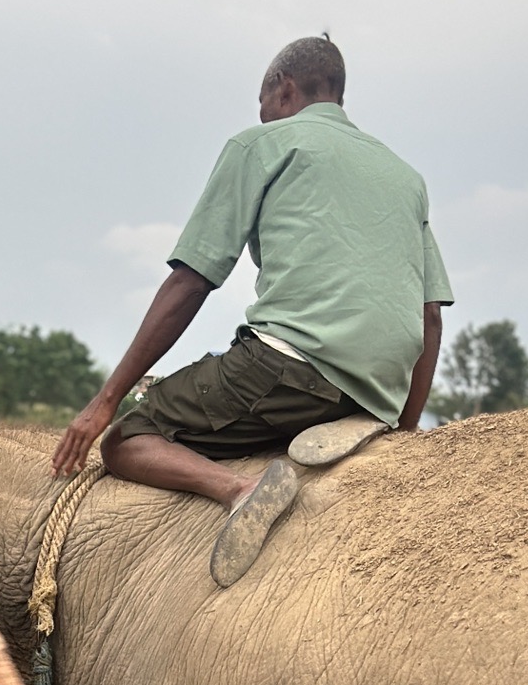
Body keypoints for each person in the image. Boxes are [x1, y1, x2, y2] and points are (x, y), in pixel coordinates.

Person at [51, 36, 453, 583]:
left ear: (283, 89)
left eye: (263, 105)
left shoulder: (262, 145)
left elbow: (192, 280)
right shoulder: (406, 177)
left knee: (129, 439)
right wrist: (403, 431)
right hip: (379, 390)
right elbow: (430, 316)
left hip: (288, 365)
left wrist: (106, 402)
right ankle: (349, 421)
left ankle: (238, 489)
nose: (262, 118)